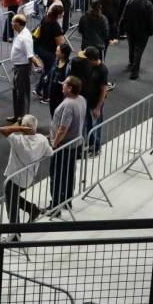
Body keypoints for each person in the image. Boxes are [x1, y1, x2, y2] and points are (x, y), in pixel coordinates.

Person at [0, 115, 51, 231]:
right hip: (29, 177)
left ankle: (15, 234)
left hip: (14, 178)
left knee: (11, 206)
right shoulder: (42, 139)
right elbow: (49, 153)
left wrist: (18, 128)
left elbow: (3, 130)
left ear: (24, 128)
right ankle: (32, 209)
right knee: (13, 197)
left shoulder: (18, 141)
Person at [49, 76, 86, 215]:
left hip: (63, 146)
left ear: (70, 88)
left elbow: (63, 128)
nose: (62, 85)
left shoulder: (68, 105)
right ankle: (67, 200)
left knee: (57, 175)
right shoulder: (81, 99)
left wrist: (54, 143)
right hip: (74, 144)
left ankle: (55, 205)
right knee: (69, 173)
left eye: (64, 84)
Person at [119, 0, 153, 80]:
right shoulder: (148, 4)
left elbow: (124, 15)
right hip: (143, 32)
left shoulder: (130, 0)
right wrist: (151, 31)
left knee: (131, 46)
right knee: (139, 50)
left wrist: (121, 28)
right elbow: (151, 20)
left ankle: (131, 63)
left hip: (130, 29)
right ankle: (135, 72)